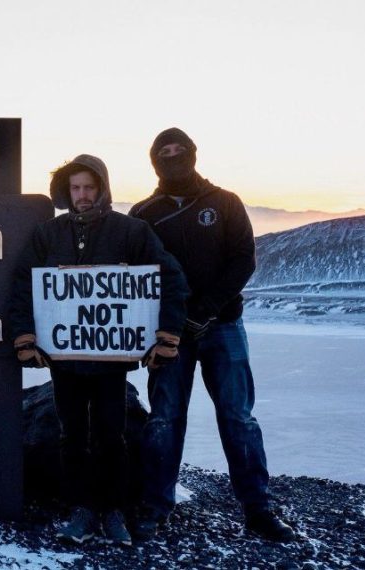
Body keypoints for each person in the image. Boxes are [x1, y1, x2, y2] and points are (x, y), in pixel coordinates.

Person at [9, 154, 188, 546]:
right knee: (71, 435)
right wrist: (24, 337)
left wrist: (166, 335)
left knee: (112, 436)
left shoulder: (131, 231)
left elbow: (170, 277)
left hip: (110, 361)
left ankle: (113, 511)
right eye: (75, 188)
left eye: (89, 187)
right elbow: (23, 283)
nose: (82, 195)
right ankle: (80, 508)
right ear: (66, 191)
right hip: (65, 359)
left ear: (102, 188)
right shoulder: (48, 234)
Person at [129, 128, 296, 542]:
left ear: (194, 154)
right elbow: (131, 272)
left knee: (238, 417)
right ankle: (155, 505)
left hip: (223, 326)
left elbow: (244, 259)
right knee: (165, 417)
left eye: (179, 150)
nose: (172, 157)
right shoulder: (143, 213)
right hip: (169, 333)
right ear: (154, 160)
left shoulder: (225, 203)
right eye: (163, 152)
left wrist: (206, 310)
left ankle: (257, 508)